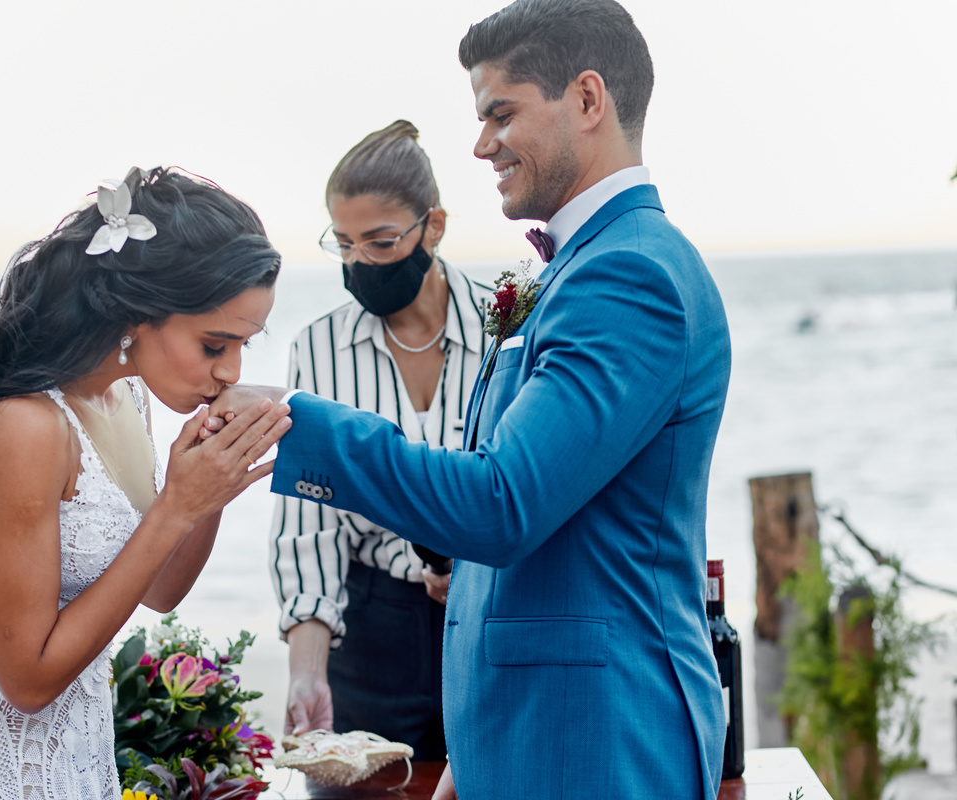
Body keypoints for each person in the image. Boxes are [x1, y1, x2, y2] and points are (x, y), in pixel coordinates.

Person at [208, 1, 731, 797]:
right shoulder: (574, 270)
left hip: (593, 739)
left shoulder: (630, 278)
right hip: (523, 734)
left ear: (588, 100)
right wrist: (472, 751)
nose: (482, 143)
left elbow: (501, 503)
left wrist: (295, 418)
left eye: (501, 113)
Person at [0, 167, 291, 800]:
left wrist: (208, 485)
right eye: (213, 345)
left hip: (76, 763)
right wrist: (177, 506)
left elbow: (163, 589)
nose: (229, 371)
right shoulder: (24, 424)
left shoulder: (127, 399)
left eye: (242, 349)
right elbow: (28, 682)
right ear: (138, 312)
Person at [271, 120, 492, 760]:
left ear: (434, 226)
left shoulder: (510, 329)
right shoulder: (316, 348)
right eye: (342, 244)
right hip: (374, 636)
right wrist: (307, 672)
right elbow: (308, 524)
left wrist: (478, 564)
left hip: (493, 622)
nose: (359, 263)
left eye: (379, 241)